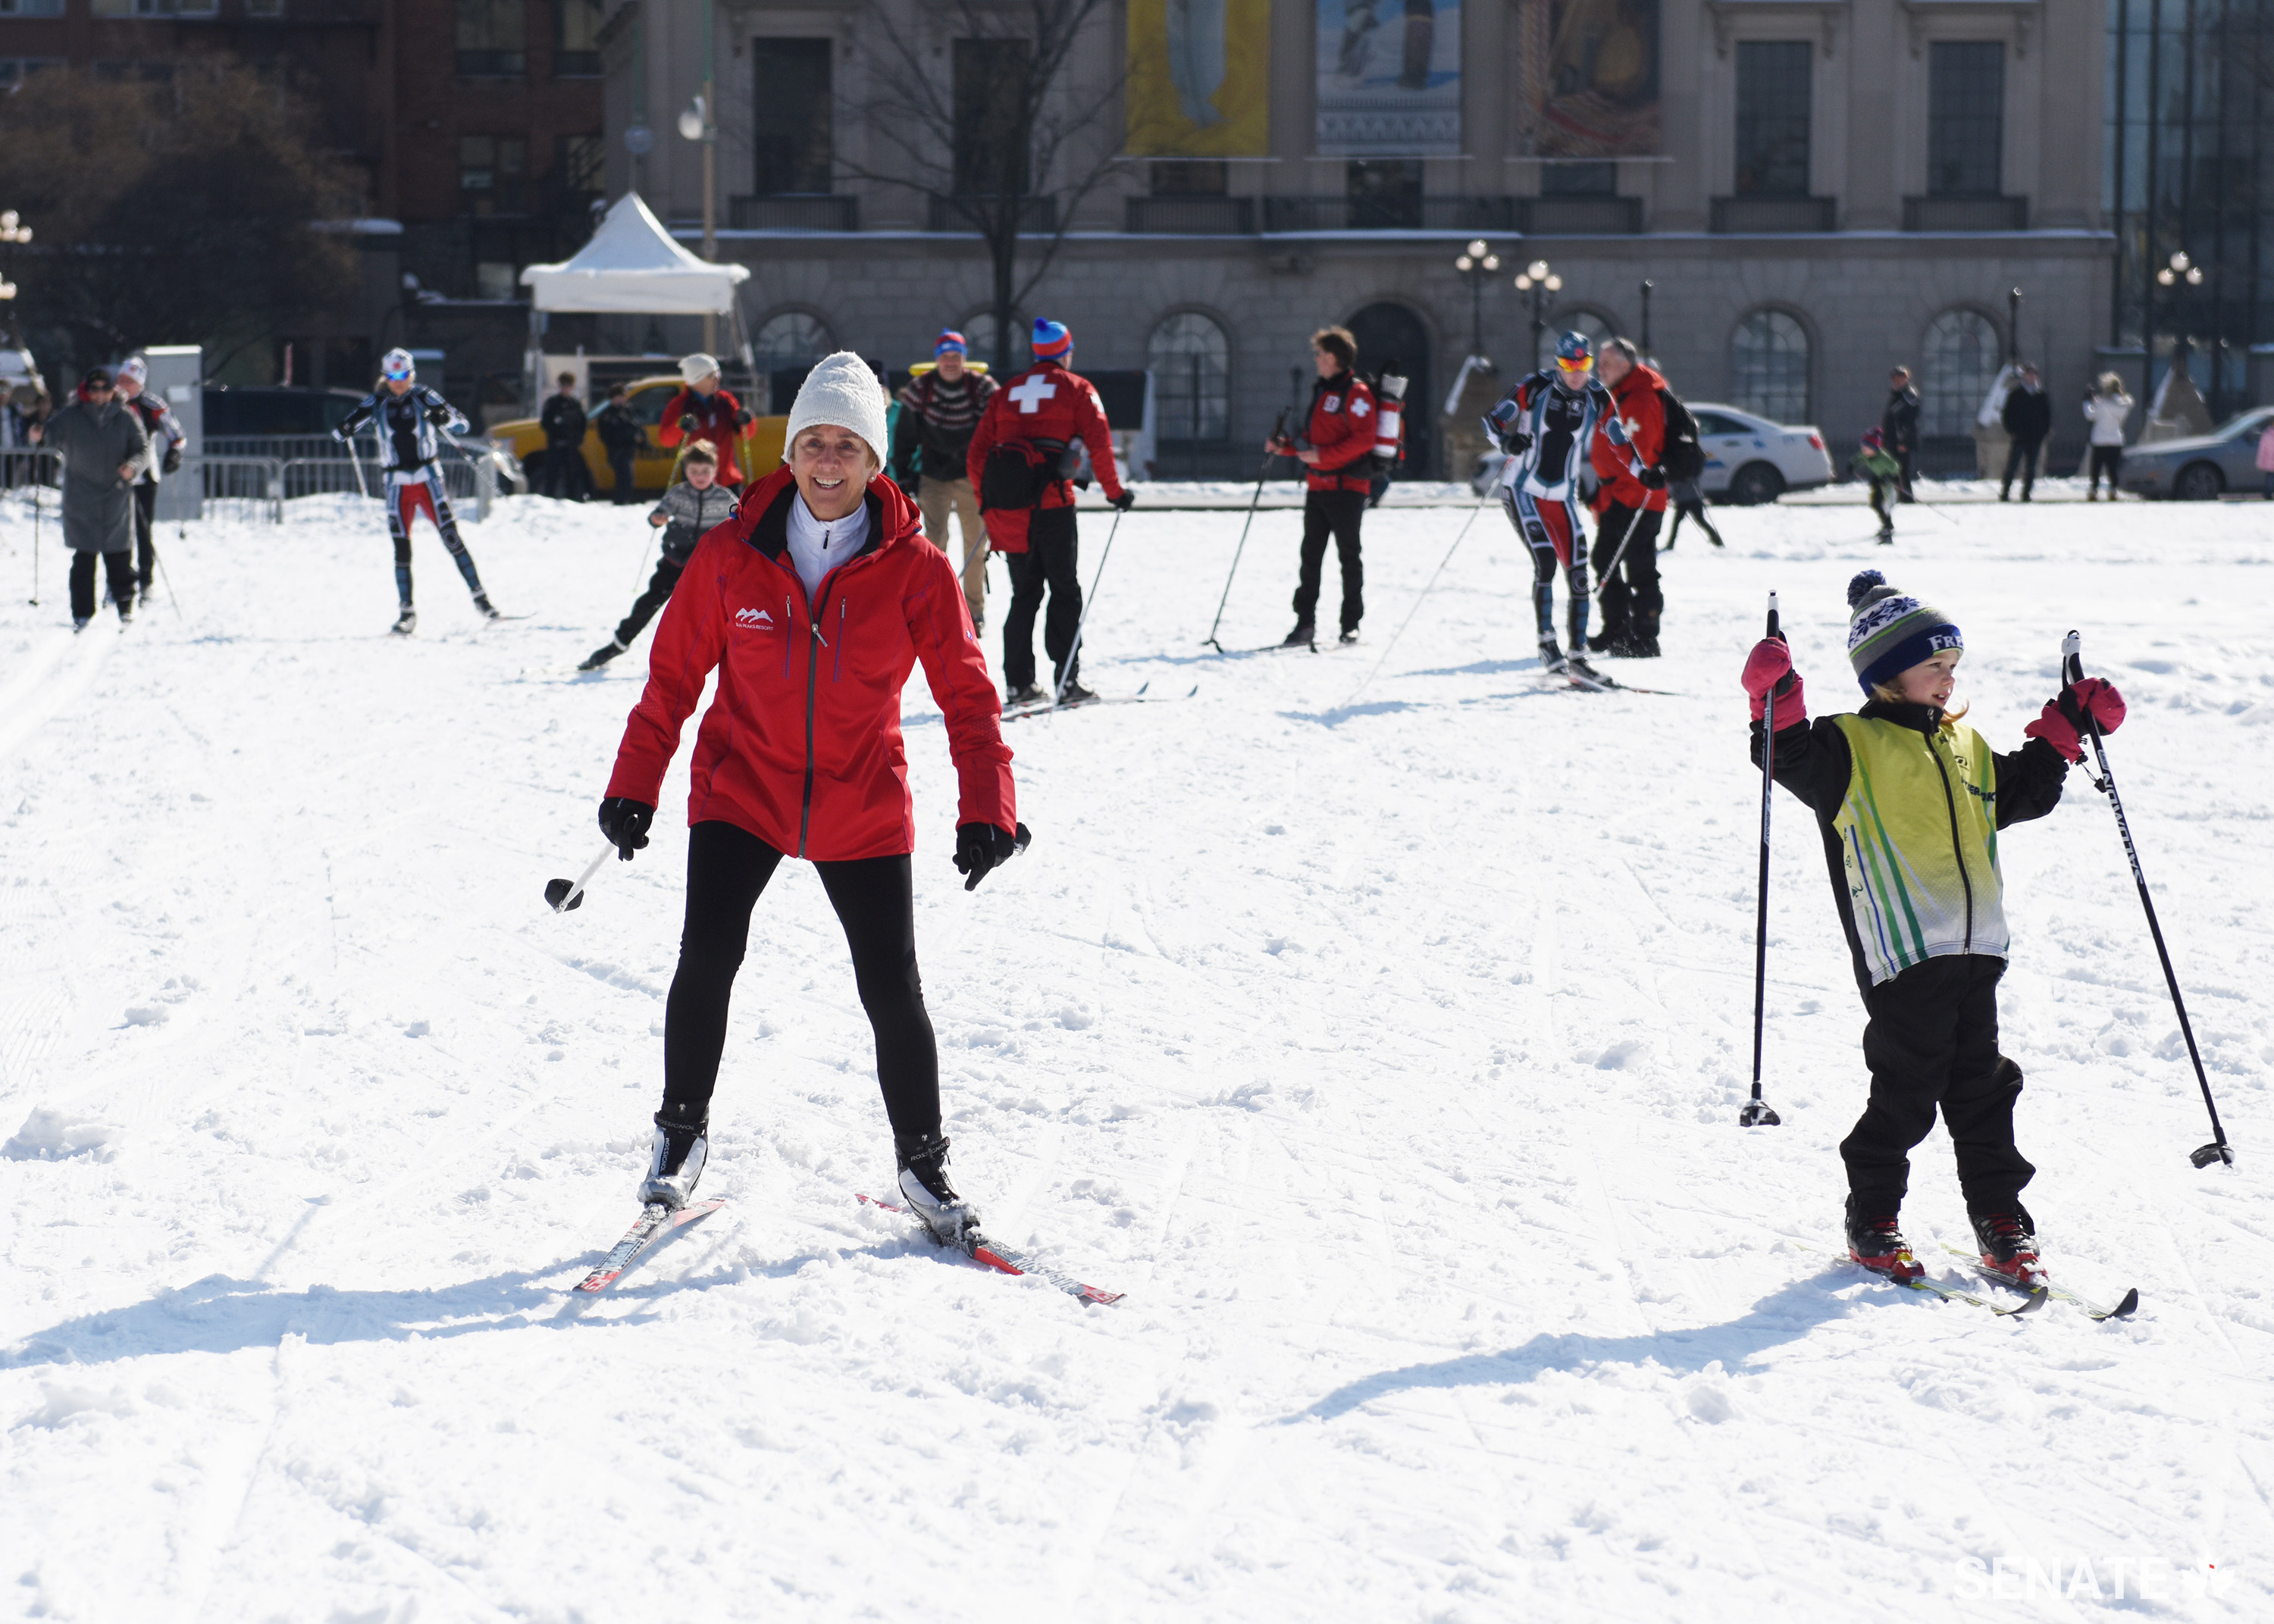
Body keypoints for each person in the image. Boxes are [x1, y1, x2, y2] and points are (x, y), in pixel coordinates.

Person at [594, 351, 1021, 1243]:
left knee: (891, 986)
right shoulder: (727, 556)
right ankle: (680, 1137)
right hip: (740, 787)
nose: (829, 461)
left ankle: (923, 1162)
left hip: (861, 797)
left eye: (848, 445)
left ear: (875, 460)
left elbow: (969, 695)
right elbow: (671, 682)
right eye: (813, 443)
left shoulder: (919, 568)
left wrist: (988, 803)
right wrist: (635, 786)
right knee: (706, 958)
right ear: (787, 455)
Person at [1740, 570, 2120, 1291]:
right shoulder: (1849, 746)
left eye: (1953, 667)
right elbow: (1783, 756)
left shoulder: (1965, 746)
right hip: (1905, 956)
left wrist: (2067, 730)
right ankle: (1874, 1219)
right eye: (1933, 666)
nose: (1948, 680)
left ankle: (2002, 1223)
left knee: (1985, 1090)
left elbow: (2024, 791)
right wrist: (1777, 699)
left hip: (1978, 953)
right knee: (1906, 1092)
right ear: (1886, 674)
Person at [966, 318, 1133, 706]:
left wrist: (987, 503)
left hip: (1010, 514)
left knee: (1024, 595)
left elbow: (976, 455)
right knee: (1065, 592)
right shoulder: (1078, 389)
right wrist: (1116, 493)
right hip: (1055, 508)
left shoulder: (1006, 393)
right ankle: (1067, 682)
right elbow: (1100, 443)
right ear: (1066, 353)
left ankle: (1019, 685)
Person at [1483, 330, 1624, 678]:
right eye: (1568, 364)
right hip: (1522, 490)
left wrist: (1644, 472)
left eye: (1584, 364)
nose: (1576, 372)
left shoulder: (1597, 396)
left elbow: (1619, 438)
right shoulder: (1535, 386)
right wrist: (1507, 441)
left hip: (1563, 498)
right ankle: (1548, 644)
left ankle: (1578, 655)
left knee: (1578, 573)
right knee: (1545, 562)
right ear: (1558, 364)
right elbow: (1492, 420)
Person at [334, 348, 501, 634]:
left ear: (412, 374)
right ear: (385, 377)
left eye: (403, 375)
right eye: (392, 376)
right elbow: (340, 432)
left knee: (451, 538)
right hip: (397, 484)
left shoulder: (424, 396)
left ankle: (481, 600)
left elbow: (462, 424)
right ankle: (406, 613)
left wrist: (442, 418)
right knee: (401, 548)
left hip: (428, 479)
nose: (398, 382)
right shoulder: (376, 402)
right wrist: (345, 427)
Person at [578, 440, 739, 671]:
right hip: (674, 562)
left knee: (713, 611)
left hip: (706, 568)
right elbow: (660, 511)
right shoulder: (679, 494)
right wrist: (658, 517)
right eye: (694, 472)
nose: (700, 476)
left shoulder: (724, 498)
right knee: (649, 602)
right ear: (686, 471)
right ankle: (619, 642)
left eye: (705, 471)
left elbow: (740, 519)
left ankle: (728, 651)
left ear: (715, 470)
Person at [1267, 324, 1375, 648]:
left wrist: (1324, 456)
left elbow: (1364, 439)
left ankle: (1350, 624)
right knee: (1310, 557)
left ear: (1331, 357)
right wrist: (1284, 446)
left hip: (1347, 488)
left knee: (1349, 557)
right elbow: (1313, 444)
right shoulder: (1323, 391)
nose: (1315, 359)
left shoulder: (1356, 394)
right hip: (1318, 486)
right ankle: (1304, 624)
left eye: (1318, 354)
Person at [28, 366, 148, 630]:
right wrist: (39, 435)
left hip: (115, 495)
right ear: (86, 391)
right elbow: (50, 435)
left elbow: (142, 449)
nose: (100, 395)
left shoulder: (125, 417)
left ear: (112, 391)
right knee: (84, 558)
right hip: (81, 497)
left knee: (119, 556)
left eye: (105, 389)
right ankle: (82, 612)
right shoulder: (71, 416)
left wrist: (133, 466)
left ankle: (125, 604)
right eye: (94, 389)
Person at [896, 330, 999, 633]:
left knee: (975, 545)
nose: (951, 362)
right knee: (934, 544)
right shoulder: (920, 389)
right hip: (934, 475)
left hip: (972, 476)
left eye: (956, 356)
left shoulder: (982, 387)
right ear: (937, 358)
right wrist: (904, 472)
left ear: (964, 359)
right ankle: (934, 607)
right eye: (945, 356)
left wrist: (997, 471)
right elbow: (904, 435)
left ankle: (974, 611)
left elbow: (999, 427)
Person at [1589, 336, 1671, 657]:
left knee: (1639, 566)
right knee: (1606, 560)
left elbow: (1640, 456)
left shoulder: (1640, 398)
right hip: (1618, 496)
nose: (1601, 369)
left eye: (1607, 363)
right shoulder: (1620, 395)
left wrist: (1616, 496)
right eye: (1600, 363)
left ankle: (1645, 635)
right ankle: (1617, 629)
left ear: (1626, 365)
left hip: (1637, 499)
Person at [113, 355, 184, 609]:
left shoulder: (152, 405)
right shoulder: (110, 402)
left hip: (144, 477)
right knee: (117, 532)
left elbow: (177, 435)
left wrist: (174, 455)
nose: (121, 384)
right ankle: (120, 581)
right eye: (120, 379)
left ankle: (146, 579)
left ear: (138, 383)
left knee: (143, 531)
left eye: (128, 381)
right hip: (115, 477)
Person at [659, 352, 754, 487]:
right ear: (696, 379)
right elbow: (665, 439)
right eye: (712, 376)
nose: (718, 379)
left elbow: (746, 434)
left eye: (718, 375)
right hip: (696, 483)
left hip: (729, 481)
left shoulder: (725, 400)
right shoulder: (680, 404)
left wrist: (747, 420)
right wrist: (680, 426)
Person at [1997, 365, 2051, 502]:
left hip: (2035, 437)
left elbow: (2047, 416)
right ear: (2024, 376)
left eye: (2034, 374)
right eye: (2029, 374)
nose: (2031, 377)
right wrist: (2013, 431)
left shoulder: (2041, 395)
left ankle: (2026, 493)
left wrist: (2043, 432)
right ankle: (2005, 492)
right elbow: (2007, 415)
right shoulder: (2016, 394)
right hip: (2020, 436)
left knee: (2031, 467)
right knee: (2012, 465)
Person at [538, 371, 590, 501]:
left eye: (568, 386)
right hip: (556, 444)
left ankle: (571, 500)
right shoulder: (552, 403)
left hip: (571, 446)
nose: (565, 389)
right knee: (552, 474)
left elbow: (582, 424)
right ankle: (549, 500)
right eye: (563, 385)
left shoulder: (575, 404)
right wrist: (557, 426)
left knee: (572, 475)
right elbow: (545, 423)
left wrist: (577, 439)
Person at [2081, 374, 2132, 501]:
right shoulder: (2124, 404)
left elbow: (2090, 415)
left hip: (2099, 439)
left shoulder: (2101, 403)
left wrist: (2087, 401)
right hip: (2116, 439)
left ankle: (2094, 489)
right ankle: (2113, 490)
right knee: (2113, 467)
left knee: (2096, 467)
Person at [1850, 427, 1903, 543]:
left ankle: (1888, 528)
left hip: (1888, 484)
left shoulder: (1884, 458)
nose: (1864, 451)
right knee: (1875, 503)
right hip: (1878, 482)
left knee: (1884, 505)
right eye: (1863, 448)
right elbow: (1858, 458)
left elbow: (1896, 467)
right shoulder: (1866, 455)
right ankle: (1886, 525)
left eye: (1866, 448)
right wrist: (1852, 465)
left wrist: (1891, 477)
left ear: (1875, 448)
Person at [594, 383, 643, 504]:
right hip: (617, 451)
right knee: (624, 479)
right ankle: (620, 503)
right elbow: (605, 435)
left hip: (629, 450)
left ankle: (624, 502)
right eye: (621, 396)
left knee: (628, 479)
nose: (624, 398)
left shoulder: (628, 409)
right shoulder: (608, 414)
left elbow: (637, 426)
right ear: (614, 397)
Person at [1881, 367, 1921, 501]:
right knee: (1894, 469)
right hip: (1892, 439)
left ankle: (1906, 497)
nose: (1897, 381)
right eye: (1895, 378)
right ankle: (1899, 496)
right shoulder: (1897, 395)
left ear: (1907, 379)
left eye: (1901, 378)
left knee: (1902, 469)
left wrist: (1904, 441)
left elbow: (1909, 422)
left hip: (1900, 440)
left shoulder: (1909, 395)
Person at [1662, 475, 1723, 550]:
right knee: (1699, 520)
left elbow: (1673, 490)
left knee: (1679, 522)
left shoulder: (1673, 477)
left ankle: (1671, 543)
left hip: (1686, 500)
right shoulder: (1682, 475)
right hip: (1692, 498)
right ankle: (1717, 540)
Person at [2259, 418, 2274, 500]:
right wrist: (2261, 462)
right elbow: (2262, 450)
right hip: (2270, 463)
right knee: (2270, 480)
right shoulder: (2267, 435)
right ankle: (2268, 494)